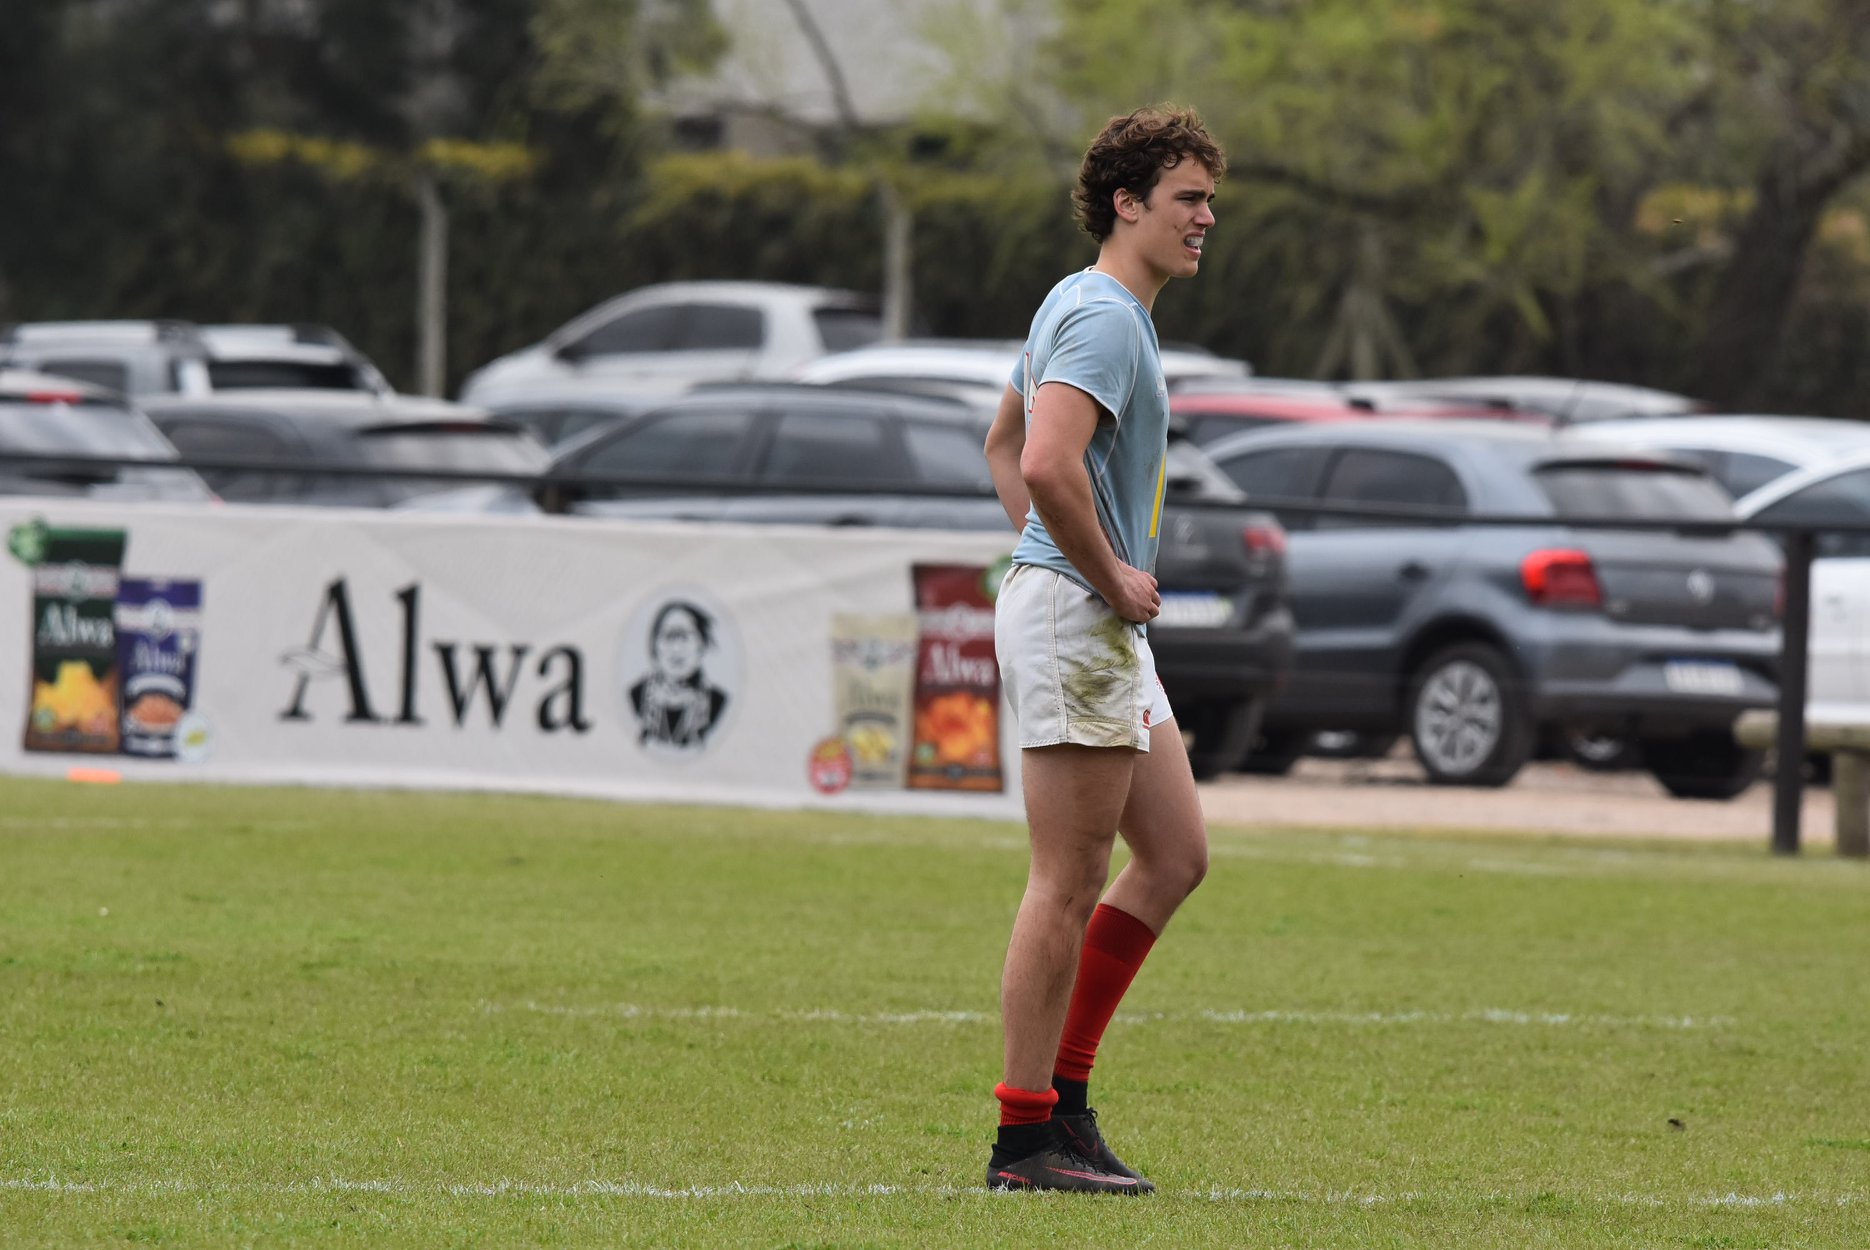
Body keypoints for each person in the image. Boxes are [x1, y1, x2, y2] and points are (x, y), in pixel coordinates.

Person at [979, 105, 1224, 1194]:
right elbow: (1042, 462)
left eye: (1208, 200)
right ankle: (1023, 1139)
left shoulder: (1084, 303)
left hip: (1085, 612)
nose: (1204, 218)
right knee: (1067, 878)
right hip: (1083, 615)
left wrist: (1058, 562)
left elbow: (1002, 444)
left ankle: (1064, 1106)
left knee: (1174, 855)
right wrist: (1099, 573)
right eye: (1186, 198)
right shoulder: (1104, 317)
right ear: (1126, 203)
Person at [629, 600, 728, 747]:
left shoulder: (718, 701)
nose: (676, 649)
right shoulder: (635, 695)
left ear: (702, 645)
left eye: (684, 637)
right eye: (669, 637)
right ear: (654, 646)